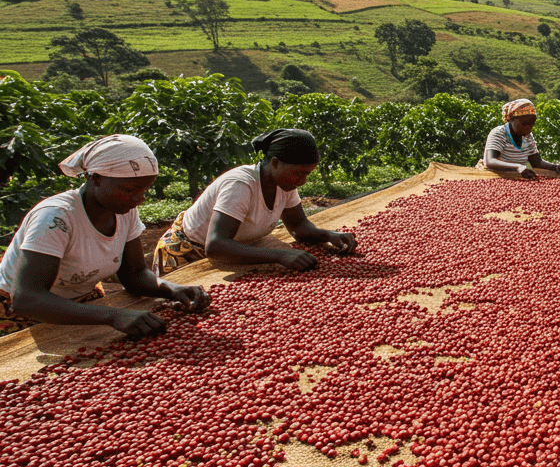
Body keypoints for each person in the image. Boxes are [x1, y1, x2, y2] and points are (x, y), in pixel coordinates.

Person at [0, 135, 210, 335]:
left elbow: (134, 274)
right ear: (97, 178)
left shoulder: (124, 211)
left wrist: (171, 289)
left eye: (145, 190)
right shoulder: (56, 218)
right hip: (21, 311)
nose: (140, 198)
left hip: (80, 301)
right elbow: (27, 298)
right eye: (130, 189)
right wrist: (112, 315)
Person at [152, 129, 357, 274]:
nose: (302, 181)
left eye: (307, 175)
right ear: (275, 163)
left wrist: (327, 235)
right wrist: (278, 255)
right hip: (188, 254)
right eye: (298, 174)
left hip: (238, 250)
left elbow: (298, 225)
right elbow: (216, 246)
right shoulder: (241, 185)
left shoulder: (284, 185)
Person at [480, 99, 560, 180]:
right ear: (511, 120)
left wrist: (554, 167)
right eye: (524, 124)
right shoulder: (499, 133)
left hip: (516, 178)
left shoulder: (527, 136)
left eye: (531, 124)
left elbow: (537, 162)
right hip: (493, 176)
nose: (528, 128)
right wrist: (518, 167)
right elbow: (490, 161)